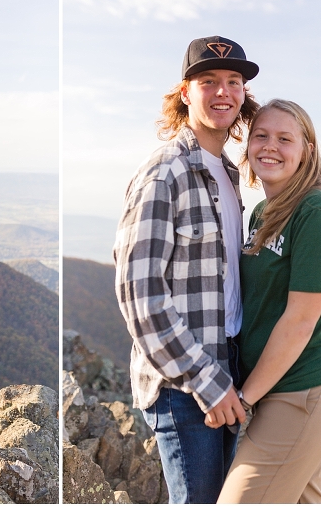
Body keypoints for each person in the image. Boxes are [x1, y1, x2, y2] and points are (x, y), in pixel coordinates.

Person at [113, 36, 260, 503]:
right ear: (184, 93)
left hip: (228, 365)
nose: (224, 92)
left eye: (233, 82)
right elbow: (140, 298)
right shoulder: (166, 173)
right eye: (209, 81)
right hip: (184, 384)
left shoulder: (228, 174)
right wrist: (207, 382)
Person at [215, 99, 321, 503]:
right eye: (260, 136)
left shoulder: (318, 211)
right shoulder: (262, 212)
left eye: (284, 138)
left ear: (306, 150)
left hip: (305, 395)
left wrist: (244, 400)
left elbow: (299, 321)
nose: (269, 147)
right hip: (277, 392)